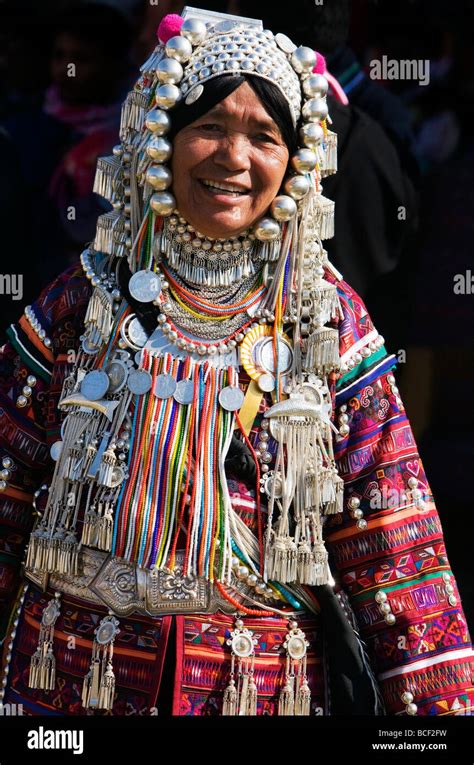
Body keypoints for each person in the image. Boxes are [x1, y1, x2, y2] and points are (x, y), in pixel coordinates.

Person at [0, 8, 472, 718]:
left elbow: (396, 555)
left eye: (264, 136)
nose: (234, 157)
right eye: (211, 127)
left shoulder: (328, 324)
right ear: (164, 137)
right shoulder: (83, 301)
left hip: (257, 691)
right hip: (68, 693)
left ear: (294, 162)